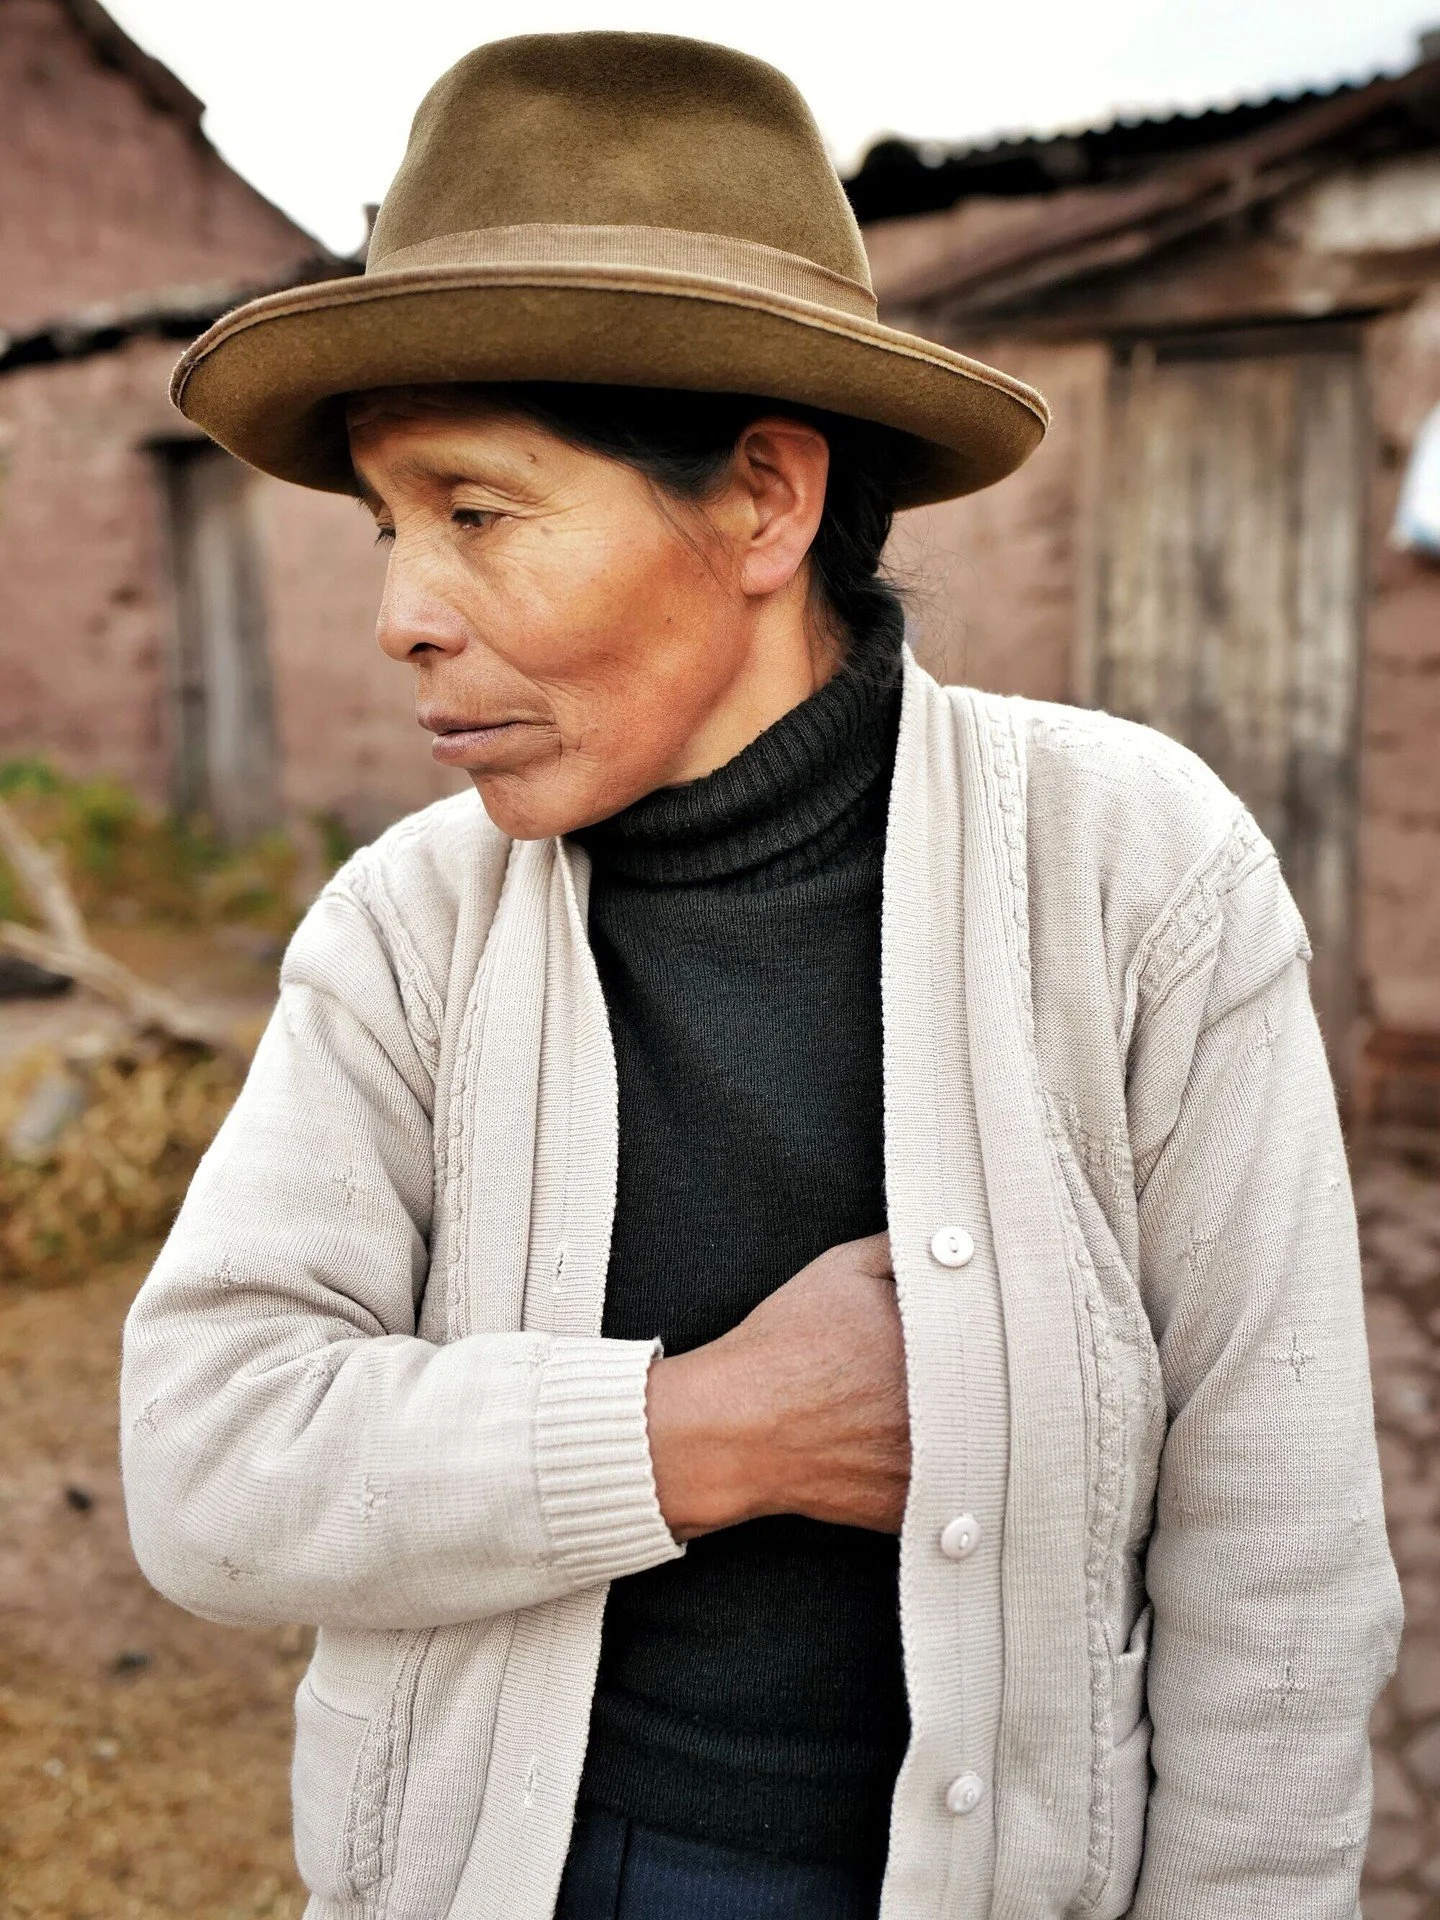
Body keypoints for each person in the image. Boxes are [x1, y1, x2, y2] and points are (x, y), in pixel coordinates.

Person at [121, 31, 1401, 1920]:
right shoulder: (410, 929)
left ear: (762, 505)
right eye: (388, 526)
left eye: (475, 512)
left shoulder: (1134, 877)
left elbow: (1279, 1573)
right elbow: (208, 1461)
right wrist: (711, 1427)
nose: (400, 610)